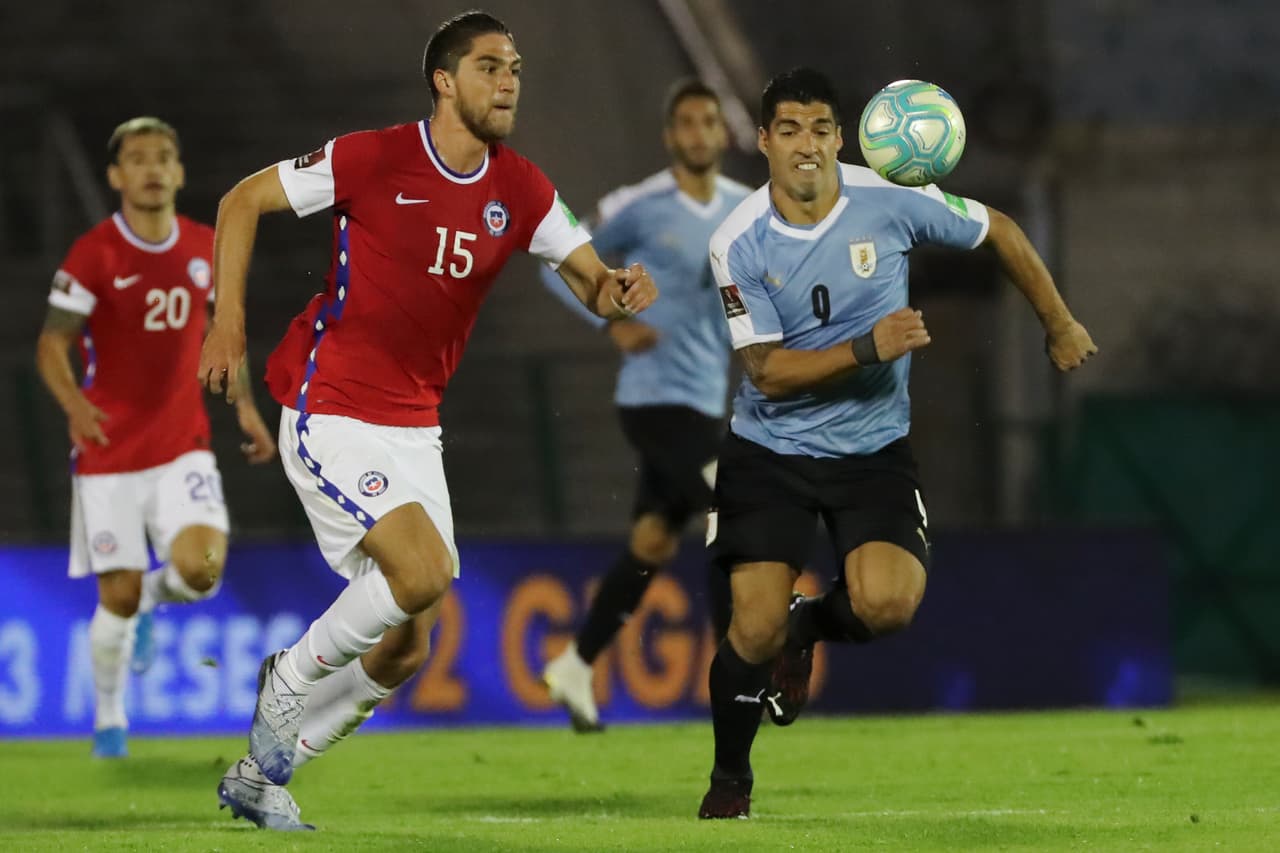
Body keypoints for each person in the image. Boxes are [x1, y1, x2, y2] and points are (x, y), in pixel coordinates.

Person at [197, 11, 658, 831]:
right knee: (421, 574)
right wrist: (226, 319)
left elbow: (587, 278)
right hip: (330, 401)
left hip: (416, 423)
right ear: (445, 82)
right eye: (489, 67)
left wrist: (615, 288)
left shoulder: (521, 187)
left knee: (408, 640)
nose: (509, 81)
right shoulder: (374, 157)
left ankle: (262, 776)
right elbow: (241, 201)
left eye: (514, 66)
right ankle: (287, 677)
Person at [697, 68, 1097, 819]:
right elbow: (767, 371)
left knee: (886, 607)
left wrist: (1059, 321)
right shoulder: (737, 241)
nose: (806, 145)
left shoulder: (890, 199)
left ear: (842, 138)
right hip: (771, 450)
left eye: (820, 129)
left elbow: (1001, 230)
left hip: (872, 450)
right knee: (751, 624)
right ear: (762, 141)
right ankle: (730, 782)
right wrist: (868, 347)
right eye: (789, 130)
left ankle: (806, 624)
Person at [34, 116, 277, 760]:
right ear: (117, 176)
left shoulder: (205, 246)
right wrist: (74, 404)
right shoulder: (95, 255)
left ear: (179, 171)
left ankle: (150, 600)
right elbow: (51, 344)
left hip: (180, 446)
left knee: (201, 570)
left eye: (163, 157)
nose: (151, 168)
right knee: (114, 595)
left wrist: (246, 408)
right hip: (108, 452)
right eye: (137, 159)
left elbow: (220, 336)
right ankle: (110, 723)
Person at [539, 79, 751, 732]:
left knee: (653, 542)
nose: (696, 134)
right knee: (728, 506)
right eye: (685, 123)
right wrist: (611, 323)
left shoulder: (748, 208)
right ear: (670, 135)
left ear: (722, 133)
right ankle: (743, 670)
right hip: (653, 399)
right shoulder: (639, 205)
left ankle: (575, 663)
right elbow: (555, 263)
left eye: (708, 122)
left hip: (706, 397)